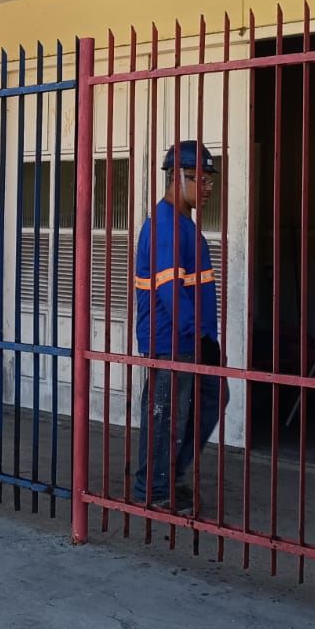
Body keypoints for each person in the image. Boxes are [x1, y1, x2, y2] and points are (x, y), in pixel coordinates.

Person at [132, 140, 227, 509]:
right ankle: (153, 488)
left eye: (209, 182)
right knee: (166, 415)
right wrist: (198, 335)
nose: (206, 188)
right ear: (176, 178)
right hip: (172, 339)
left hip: (187, 338)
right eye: (199, 180)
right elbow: (170, 290)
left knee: (208, 399)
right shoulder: (167, 226)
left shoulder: (182, 225)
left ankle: (162, 473)